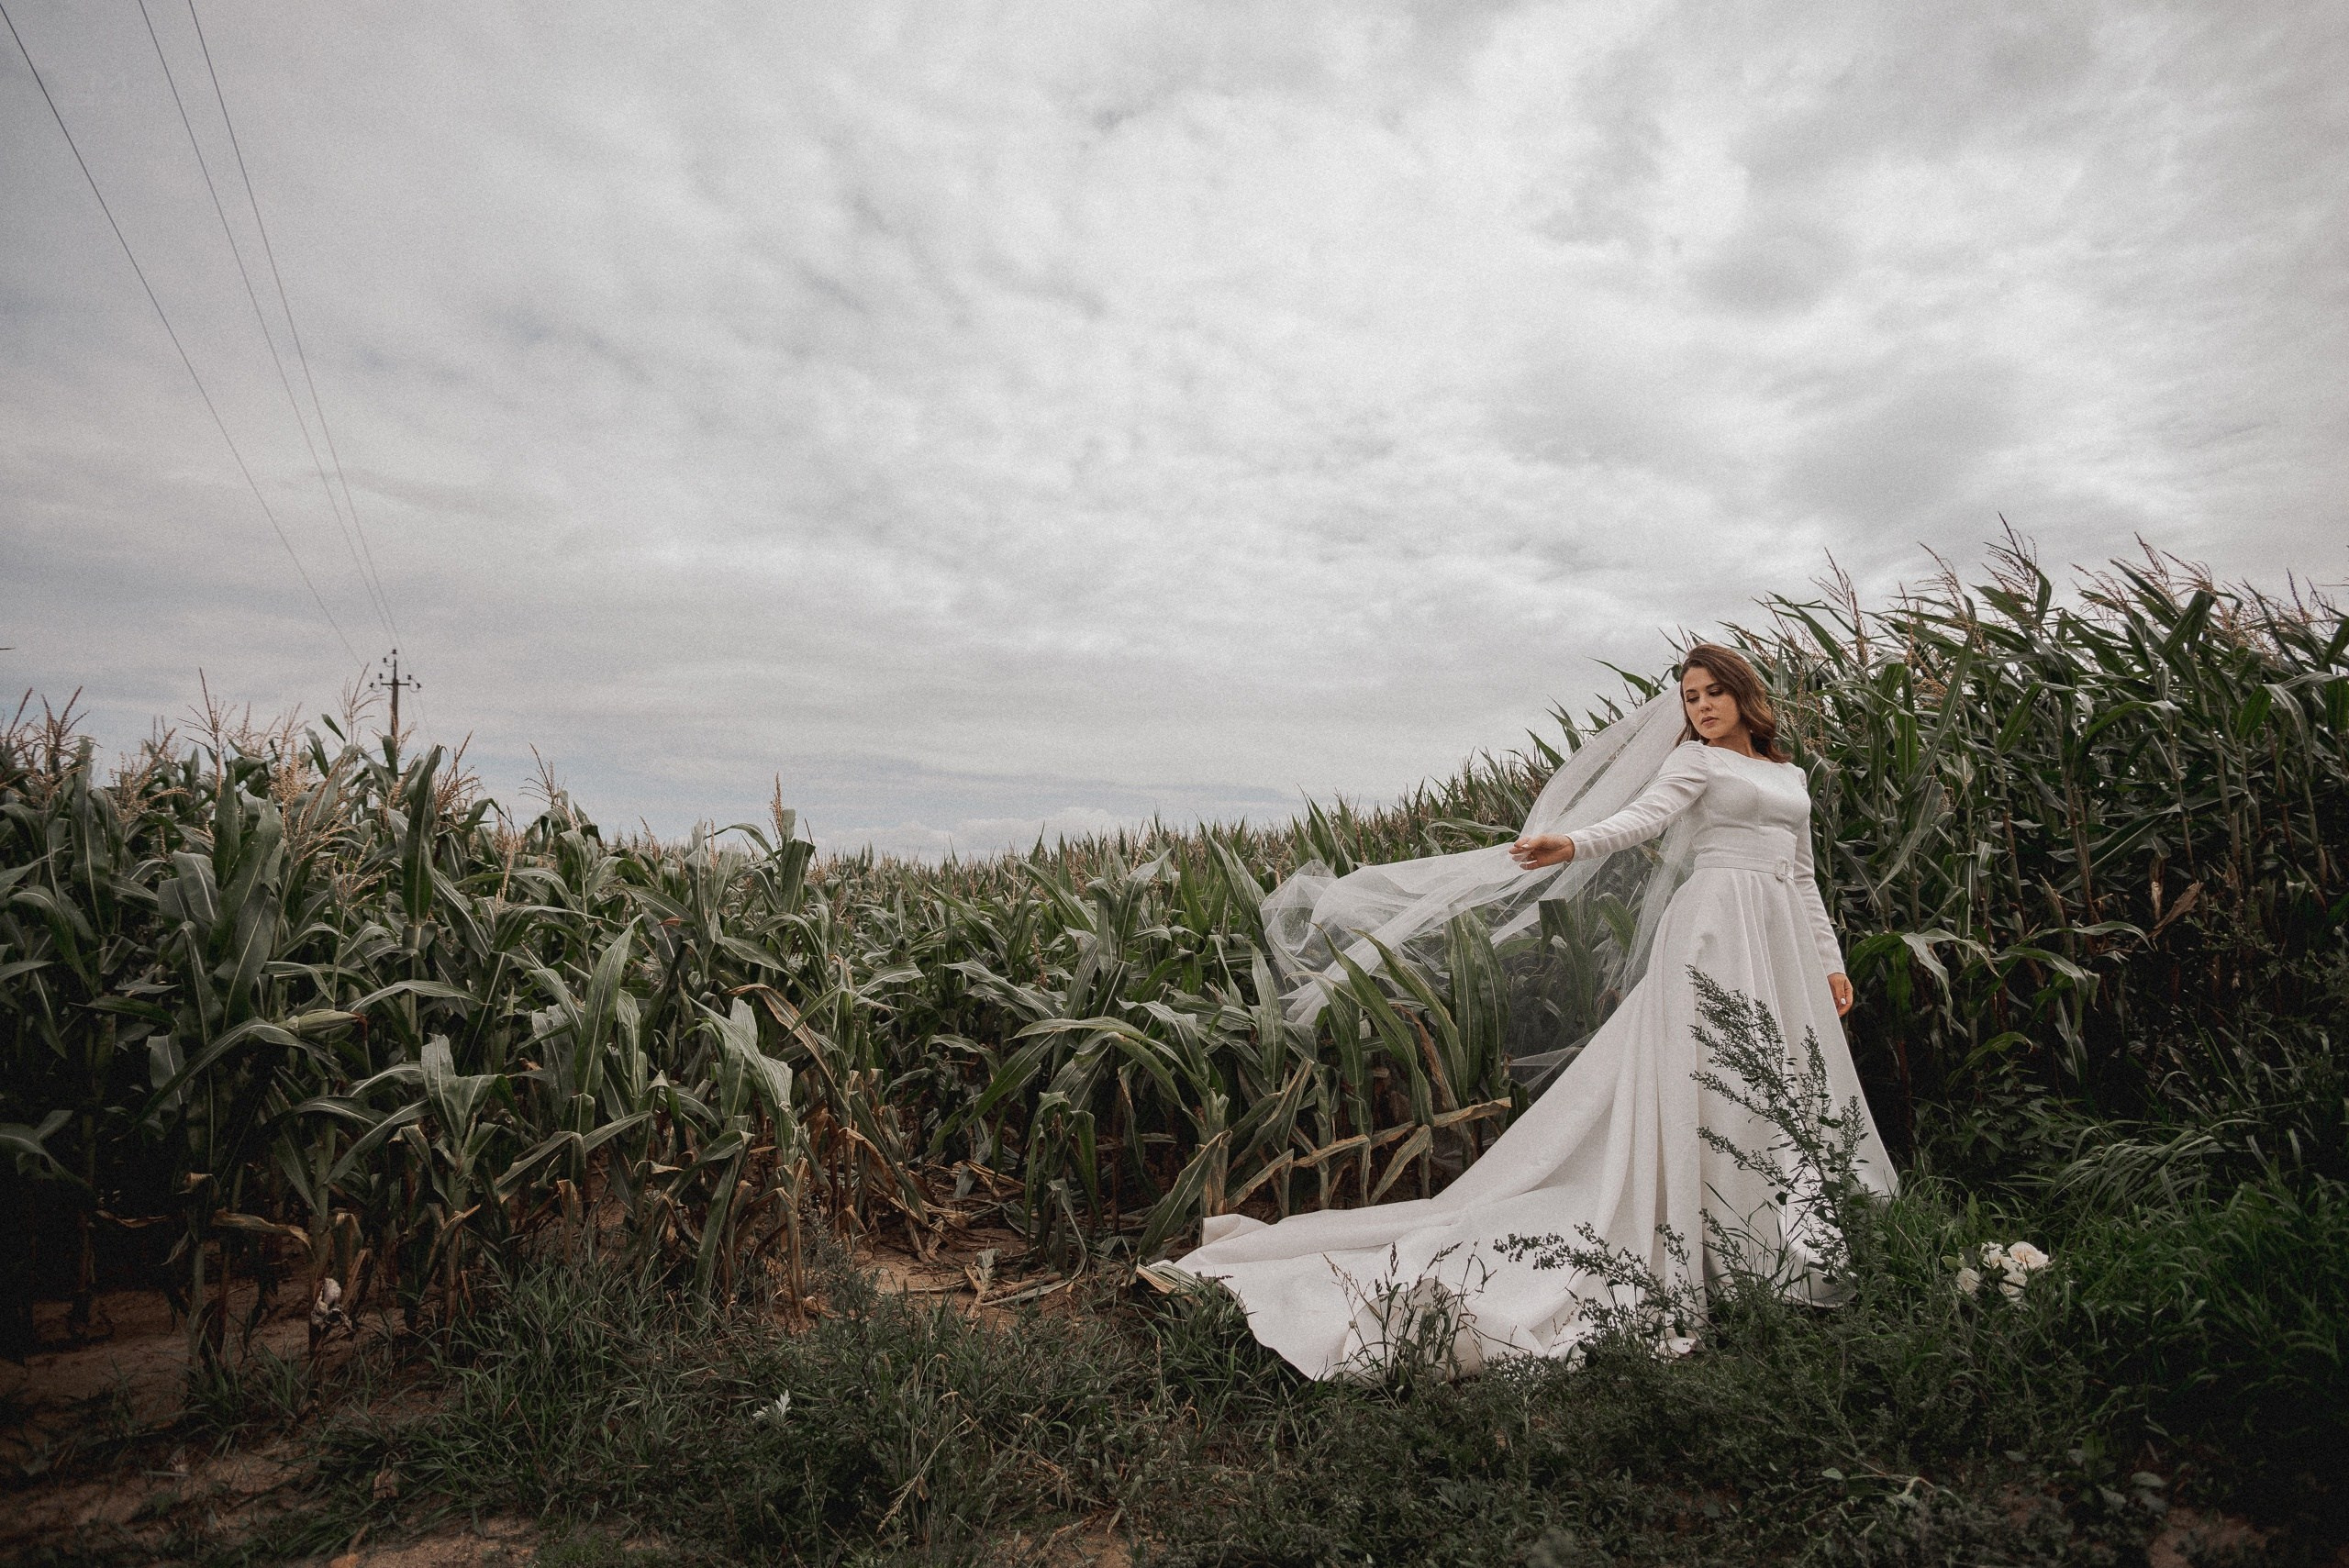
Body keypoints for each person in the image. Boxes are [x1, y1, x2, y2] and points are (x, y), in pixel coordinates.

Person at [1173, 645, 1896, 1379]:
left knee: (1774, 1077)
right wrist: (1572, 842)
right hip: (1713, 928)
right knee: (1712, 1076)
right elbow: (1640, 820)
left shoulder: (1788, 775)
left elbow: (1802, 878)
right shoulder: (1696, 766)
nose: (1701, 706)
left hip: (1777, 940)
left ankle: (1776, 1240)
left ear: (1746, 696)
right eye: (1690, 696)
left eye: (1714, 692)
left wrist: (1830, 962)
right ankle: (1712, 1245)